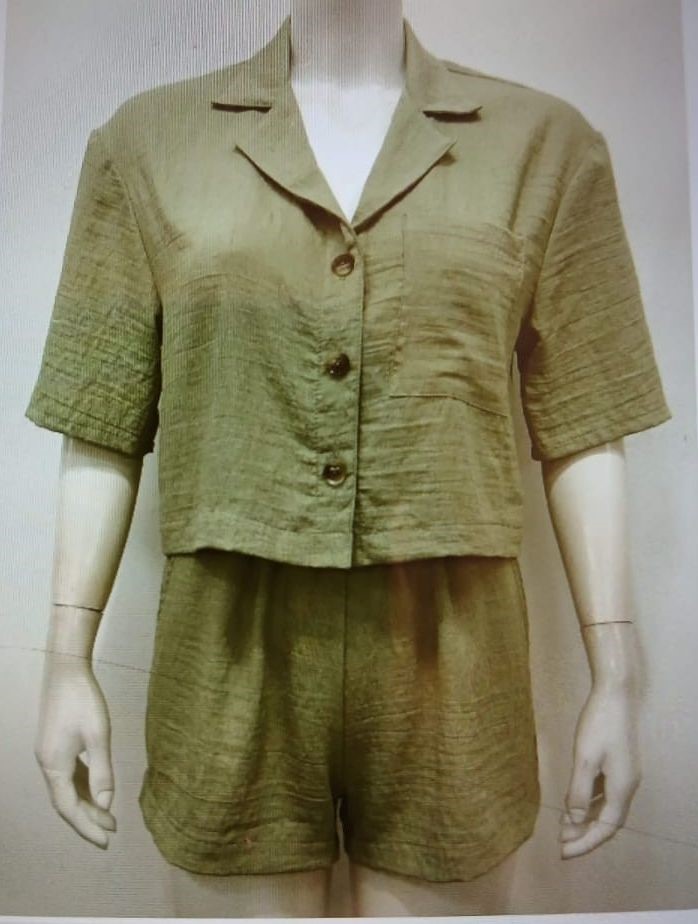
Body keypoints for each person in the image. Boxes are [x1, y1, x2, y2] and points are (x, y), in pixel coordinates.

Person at [26, 0, 672, 916]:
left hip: (457, 651)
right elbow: (100, 418)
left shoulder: (544, 145)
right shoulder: (148, 142)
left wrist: (617, 676)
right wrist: (66, 659)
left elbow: (584, 421)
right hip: (226, 643)